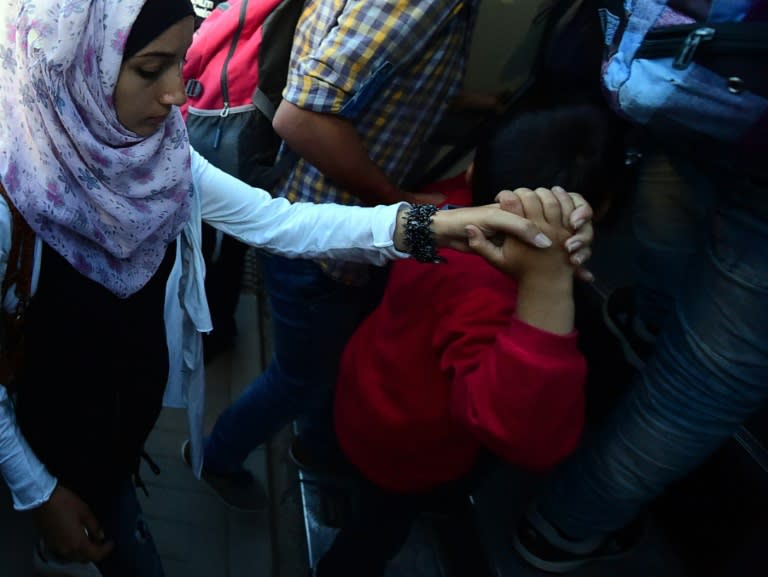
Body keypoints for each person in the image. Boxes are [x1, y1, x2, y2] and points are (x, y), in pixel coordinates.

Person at [0, 1, 593, 576]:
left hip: (117, 419)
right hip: (39, 436)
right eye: (151, 70)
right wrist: (38, 491)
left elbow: (282, 222)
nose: (178, 95)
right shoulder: (12, 196)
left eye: (181, 64)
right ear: (71, 67)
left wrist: (437, 227)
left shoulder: (159, 154)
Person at [198, 0, 593, 510]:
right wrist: (397, 199)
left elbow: (369, 81)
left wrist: (459, 101)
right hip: (325, 238)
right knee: (300, 376)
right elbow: (302, 119)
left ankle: (313, 449)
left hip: (335, 234)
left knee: (317, 364)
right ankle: (217, 456)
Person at [512, 1, 768, 573]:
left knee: (671, 218)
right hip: (743, 104)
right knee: (700, 387)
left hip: (684, 80)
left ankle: (647, 323)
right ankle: (566, 525)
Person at [310, 106, 606, 577]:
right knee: (374, 531)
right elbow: (523, 435)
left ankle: (317, 462)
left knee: (346, 466)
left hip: (365, 384)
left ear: (474, 167)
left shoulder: (446, 205)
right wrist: (547, 284)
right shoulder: (494, 292)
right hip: (405, 445)